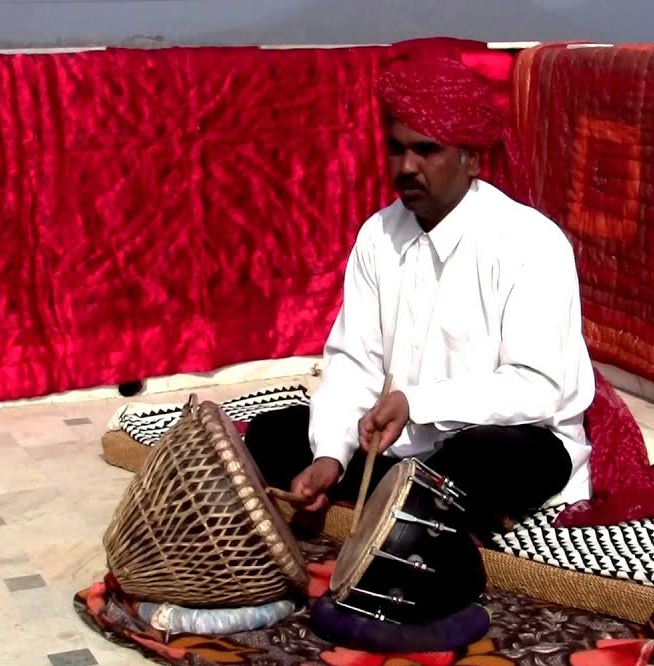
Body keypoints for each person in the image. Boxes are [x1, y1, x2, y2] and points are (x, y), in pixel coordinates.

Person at [244, 50, 595, 535]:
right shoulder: (378, 235)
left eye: (426, 150)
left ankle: (415, 503)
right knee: (272, 433)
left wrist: (418, 403)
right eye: (396, 149)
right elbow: (353, 365)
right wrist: (331, 455)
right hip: (400, 443)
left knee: (490, 458)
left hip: (506, 441)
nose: (406, 167)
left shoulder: (530, 241)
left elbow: (536, 389)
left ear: (470, 159)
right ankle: (411, 504)